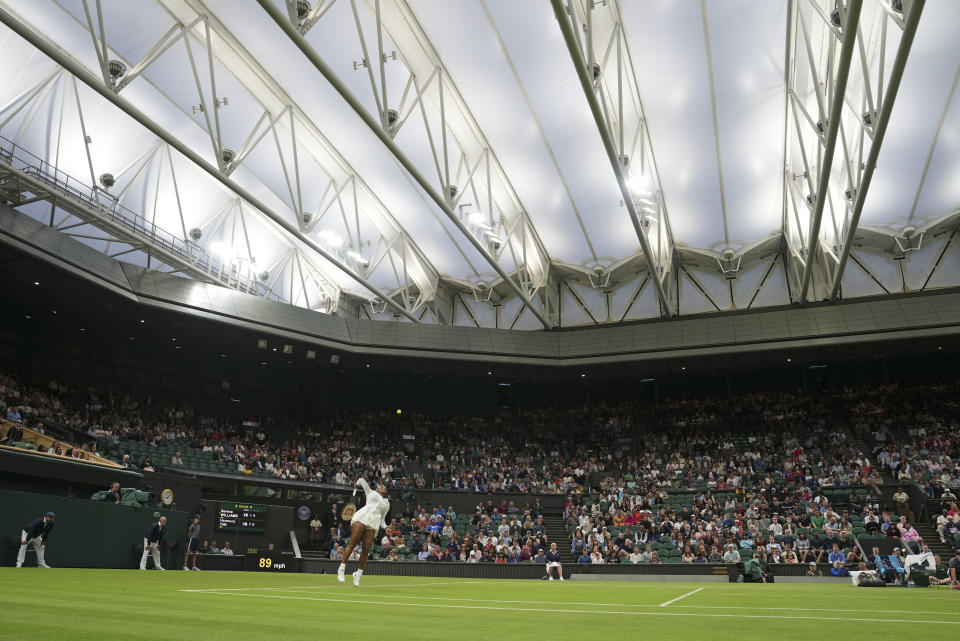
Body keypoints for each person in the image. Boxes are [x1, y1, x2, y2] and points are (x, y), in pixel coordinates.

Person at [338, 478, 389, 586]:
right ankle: (342, 568)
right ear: (377, 489)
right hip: (361, 518)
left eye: (384, 487)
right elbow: (361, 480)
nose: (382, 487)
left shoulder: (386, 503)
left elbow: (382, 519)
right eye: (380, 486)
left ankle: (358, 574)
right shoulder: (371, 493)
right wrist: (356, 484)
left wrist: (385, 527)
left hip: (373, 523)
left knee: (366, 549)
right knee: (352, 544)